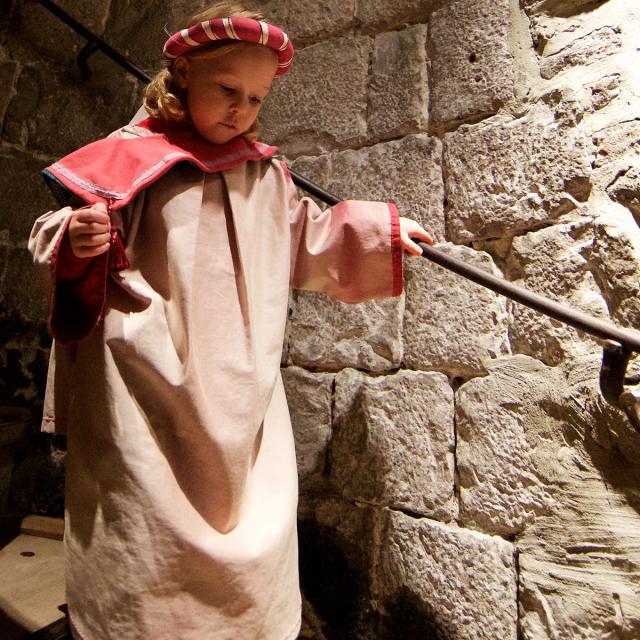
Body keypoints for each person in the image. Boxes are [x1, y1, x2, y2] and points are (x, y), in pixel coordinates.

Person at [28, 2, 433, 639]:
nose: (241, 108)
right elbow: (57, 235)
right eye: (226, 89)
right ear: (183, 74)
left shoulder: (265, 174)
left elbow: (306, 238)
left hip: (241, 388)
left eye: (254, 96)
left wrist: (378, 232)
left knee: (253, 535)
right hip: (145, 384)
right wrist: (76, 238)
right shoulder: (126, 162)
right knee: (143, 532)